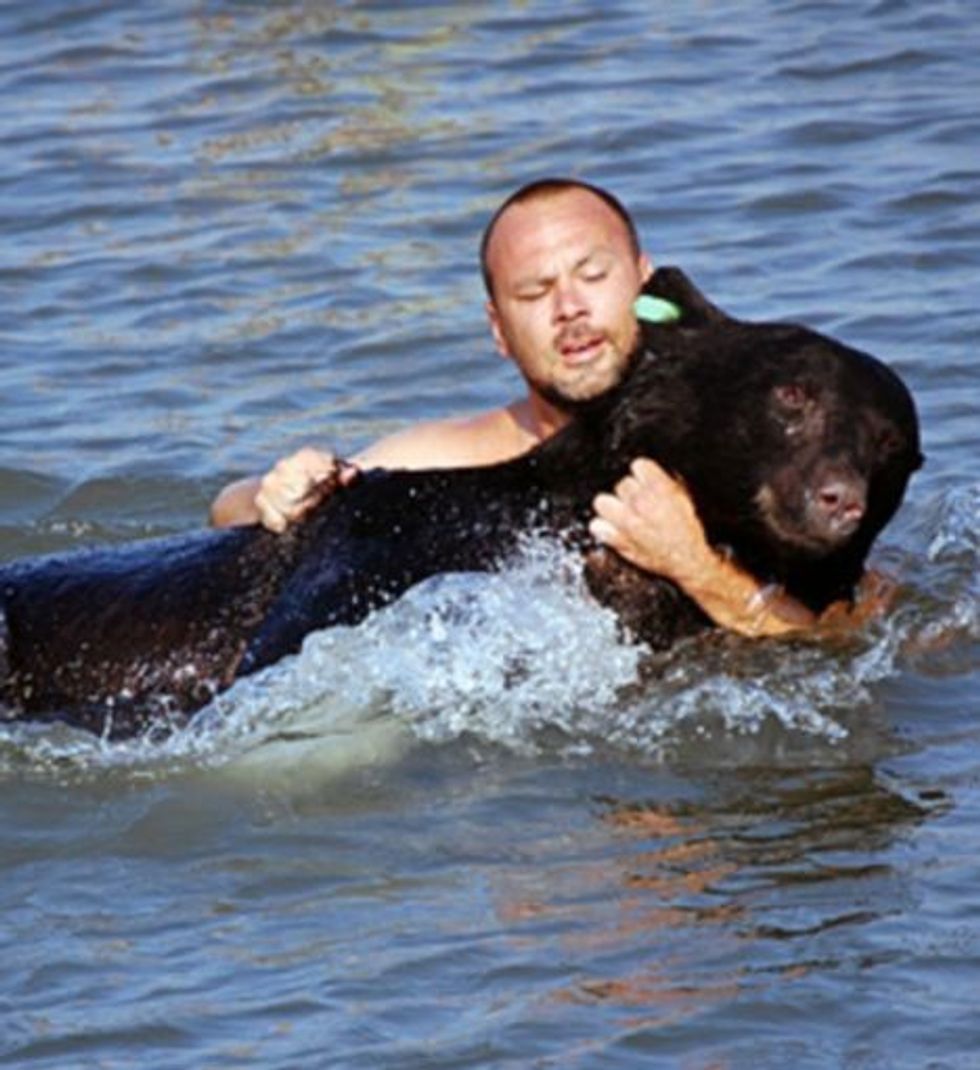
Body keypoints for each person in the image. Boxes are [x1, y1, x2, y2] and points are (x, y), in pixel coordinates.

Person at [210, 178, 867, 637]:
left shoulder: (738, 447)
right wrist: (276, 491)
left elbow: (857, 637)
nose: (570, 309)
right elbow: (229, 516)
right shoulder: (456, 459)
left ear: (646, 283)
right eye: (534, 292)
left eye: (593, 275)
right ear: (499, 331)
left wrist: (694, 568)